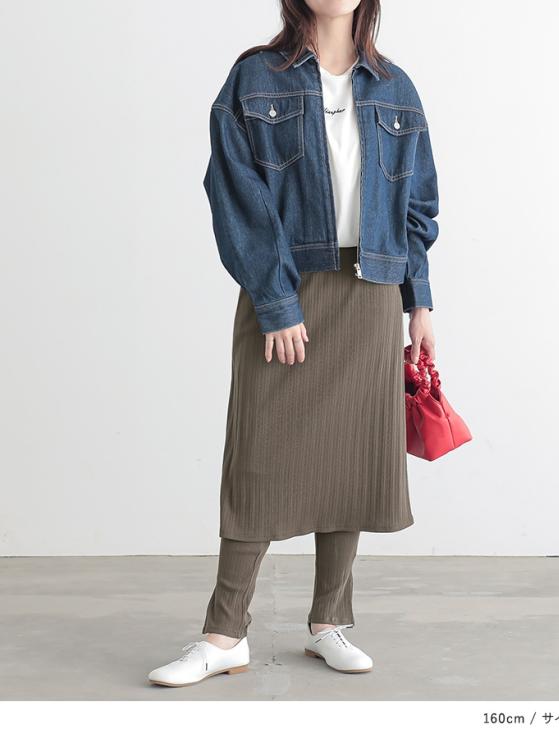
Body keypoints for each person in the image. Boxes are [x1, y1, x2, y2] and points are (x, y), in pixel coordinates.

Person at [148, 0, 438, 687]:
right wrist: (275, 301)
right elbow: (234, 192)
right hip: (285, 286)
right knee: (259, 455)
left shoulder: (395, 87)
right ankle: (224, 635)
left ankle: (330, 622)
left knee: (353, 457)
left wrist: (419, 302)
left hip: (371, 290)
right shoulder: (255, 77)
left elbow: (417, 205)